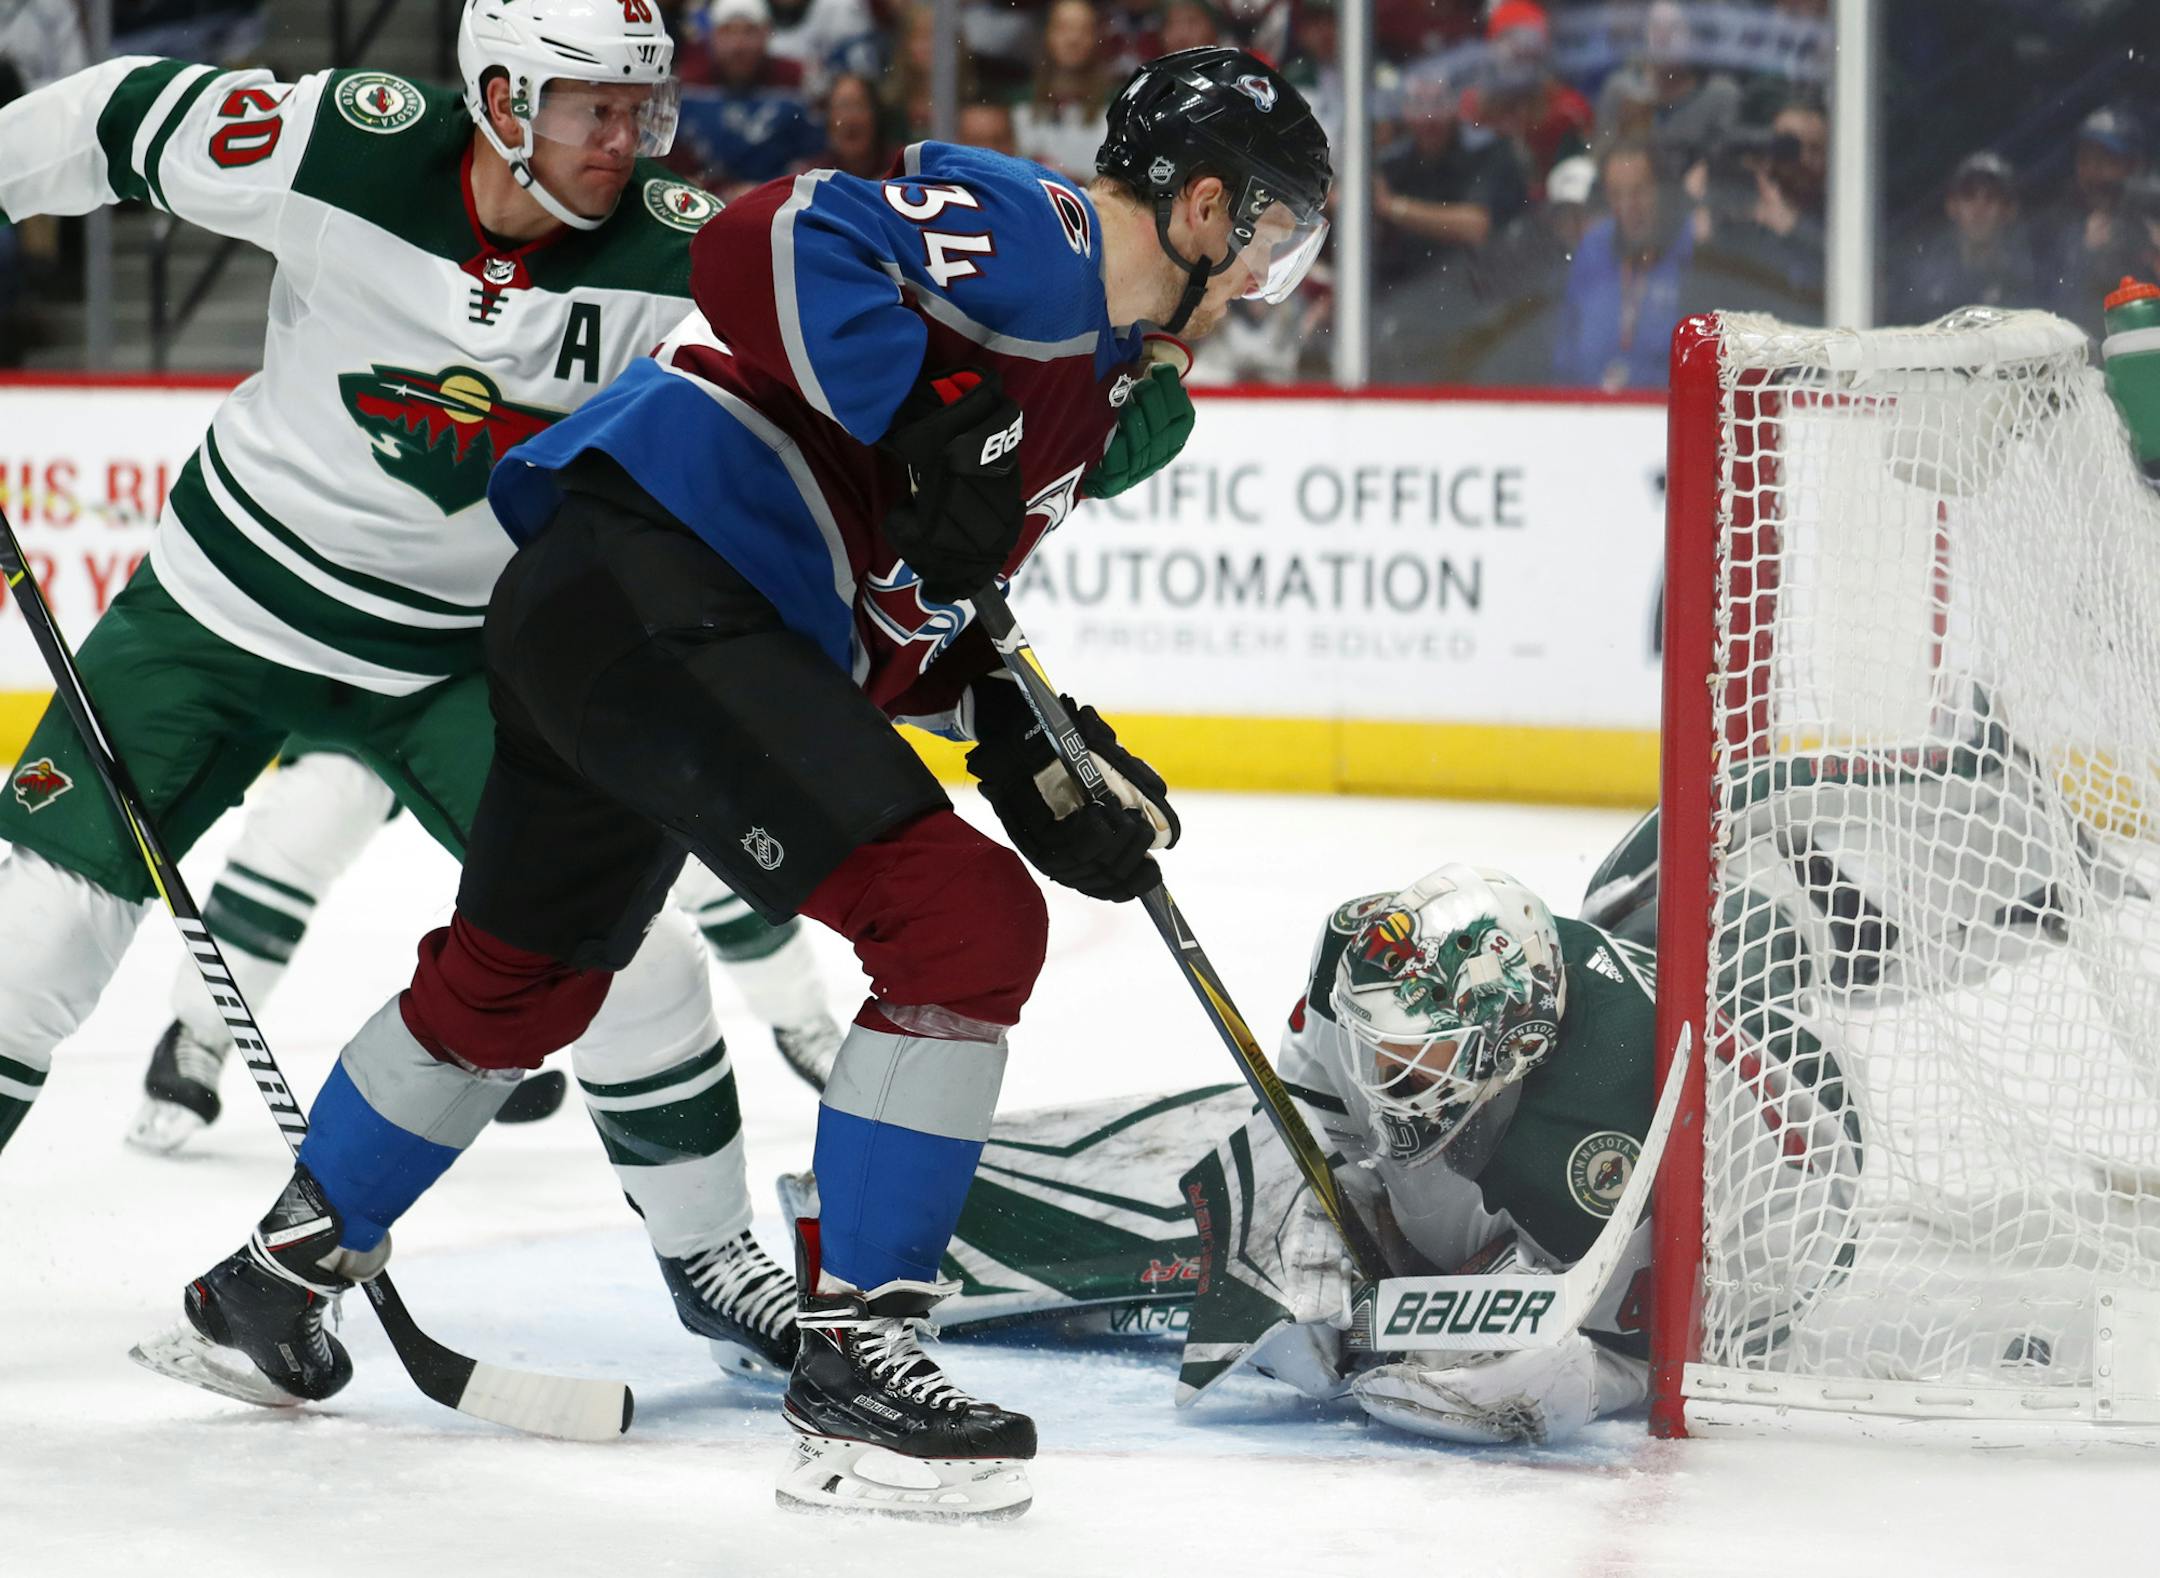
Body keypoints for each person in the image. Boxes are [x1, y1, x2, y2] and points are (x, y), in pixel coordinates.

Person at [147, 45, 1332, 1520]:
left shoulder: (1090, 386)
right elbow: (757, 237)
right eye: (1273, 235)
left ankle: (269, 1278)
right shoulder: (1052, 237)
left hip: (612, 605)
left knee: (518, 980)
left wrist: (1017, 718)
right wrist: (914, 409)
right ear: (1205, 205)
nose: (1270, 278)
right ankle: (863, 1363)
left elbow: (899, 584)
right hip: (673, 577)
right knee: (960, 922)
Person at [0, 0, 803, 1381]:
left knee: (629, 955)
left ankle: (714, 1255)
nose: (628, 138)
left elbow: (834, 377)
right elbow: (114, 113)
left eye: (641, 106)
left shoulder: (678, 241)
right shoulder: (341, 145)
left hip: (459, 654)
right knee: (31, 942)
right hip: (217, 613)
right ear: (499, 97)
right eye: (591, 108)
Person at [132, 748, 850, 1153]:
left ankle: (801, 1014)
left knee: (669, 846)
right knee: (317, 806)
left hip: (505, 680)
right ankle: (199, 1028)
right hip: (375, 673)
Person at [1553, 139, 1693, 391]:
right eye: (1616, 194)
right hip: (1589, 414)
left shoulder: (1690, 249)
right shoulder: (1593, 248)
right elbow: (1567, 350)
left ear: (1662, 191)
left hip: (1664, 418)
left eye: (1639, 191)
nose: (1628, 206)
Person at [672, 0, 823, 194]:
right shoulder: (687, 84)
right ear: (712, 36)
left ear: (767, 33)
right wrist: (717, 190)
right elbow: (674, 163)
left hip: (781, 202)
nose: (738, 45)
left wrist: (770, 190)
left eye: (749, 31)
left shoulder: (797, 80)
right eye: (728, 31)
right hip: (702, 201)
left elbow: (817, 156)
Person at [1458, 0, 1593, 199]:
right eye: (1512, 48)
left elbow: (1584, 174)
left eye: (1528, 50)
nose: (1520, 57)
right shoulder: (1474, 108)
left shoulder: (1568, 109)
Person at [1895, 151, 2037, 323]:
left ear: (2009, 210)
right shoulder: (1925, 285)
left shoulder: (2027, 281)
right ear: (1952, 206)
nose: (1979, 209)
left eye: (1991, 197)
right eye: (1969, 196)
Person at [2044, 107, 2148, 340]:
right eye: (2085, 160)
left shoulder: (2149, 215)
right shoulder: (2059, 221)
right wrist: (2085, 254)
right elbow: (2051, 312)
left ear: (2132, 167)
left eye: (2105, 160)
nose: (2093, 171)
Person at [1014, 0, 1116, 181]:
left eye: (1083, 30)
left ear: (1096, 37)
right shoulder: (1018, 103)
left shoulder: (1117, 105)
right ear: (1047, 34)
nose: (1073, 39)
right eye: (1064, 28)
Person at [805, 69, 891, 180]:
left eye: (859, 106)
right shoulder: (813, 179)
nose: (850, 119)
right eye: (842, 106)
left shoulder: (901, 170)